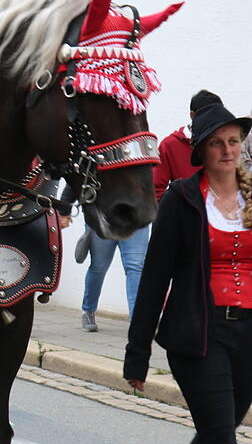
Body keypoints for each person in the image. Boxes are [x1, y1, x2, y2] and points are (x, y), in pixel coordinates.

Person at [125, 103, 252, 443]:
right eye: (217, 143)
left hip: (249, 334)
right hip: (200, 332)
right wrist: (137, 355)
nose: (228, 150)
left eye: (234, 141)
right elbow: (154, 277)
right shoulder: (182, 199)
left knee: (217, 433)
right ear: (201, 151)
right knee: (220, 434)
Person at [58, 186, 148, 332]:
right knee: (98, 267)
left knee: (136, 267)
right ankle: (88, 311)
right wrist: (64, 211)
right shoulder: (97, 162)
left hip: (135, 215)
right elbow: (75, 177)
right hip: (101, 216)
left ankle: (137, 319)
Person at [154, 89, 222, 201]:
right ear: (192, 115)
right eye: (207, 116)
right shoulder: (169, 145)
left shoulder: (224, 143)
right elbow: (156, 191)